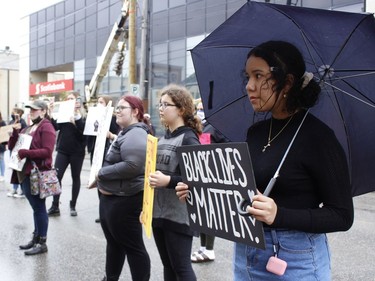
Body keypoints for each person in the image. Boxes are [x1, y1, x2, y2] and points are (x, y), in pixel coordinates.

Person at [176, 40, 354, 280]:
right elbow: (244, 190)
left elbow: (342, 215)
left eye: (258, 75)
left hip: (296, 259)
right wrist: (202, 192)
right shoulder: (256, 132)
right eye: (247, 76)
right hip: (248, 251)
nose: (249, 86)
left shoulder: (319, 137)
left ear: (287, 82)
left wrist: (279, 214)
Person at [149, 84, 202, 281]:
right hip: (159, 213)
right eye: (160, 104)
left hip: (180, 216)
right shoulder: (161, 139)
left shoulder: (188, 139)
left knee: (181, 268)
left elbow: (198, 179)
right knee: (168, 266)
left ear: (181, 109)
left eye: (166, 104)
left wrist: (168, 180)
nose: (161, 108)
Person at [96, 95, 151, 281]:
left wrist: (101, 173)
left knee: (133, 247)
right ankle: (110, 278)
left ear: (135, 112)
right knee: (114, 243)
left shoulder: (136, 133)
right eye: (116, 108)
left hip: (125, 200)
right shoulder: (126, 132)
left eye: (122, 108)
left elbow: (132, 165)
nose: (117, 111)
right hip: (113, 199)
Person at [8, 100, 56, 255]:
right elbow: (12, 147)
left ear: (43, 111)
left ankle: (42, 242)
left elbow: (47, 152)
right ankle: (36, 238)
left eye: (34, 110)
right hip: (24, 173)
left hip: (37, 173)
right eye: (30, 110)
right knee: (36, 208)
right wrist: (14, 134)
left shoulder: (46, 126)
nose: (31, 112)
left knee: (39, 208)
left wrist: (26, 153)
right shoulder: (29, 127)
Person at [190, 101, 229, 263]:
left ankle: (209, 249)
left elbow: (227, 147)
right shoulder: (202, 126)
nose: (200, 111)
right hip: (201, 175)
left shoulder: (217, 127)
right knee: (202, 213)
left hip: (213, 176)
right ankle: (203, 247)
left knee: (209, 213)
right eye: (198, 109)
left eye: (202, 109)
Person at [48, 91, 86, 217]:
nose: (69, 101)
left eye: (72, 99)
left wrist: (76, 118)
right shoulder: (63, 115)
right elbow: (54, 127)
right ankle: (55, 205)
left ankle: (73, 205)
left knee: (76, 177)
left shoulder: (82, 117)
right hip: (63, 150)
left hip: (77, 152)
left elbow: (83, 133)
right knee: (57, 177)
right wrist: (51, 112)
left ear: (77, 102)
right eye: (68, 99)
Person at [86, 95, 120, 223]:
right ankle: (102, 211)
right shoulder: (94, 116)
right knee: (98, 180)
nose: (99, 104)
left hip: (107, 152)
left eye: (102, 102)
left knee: (105, 180)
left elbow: (115, 133)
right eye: (98, 102)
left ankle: (107, 212)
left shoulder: (113, 118)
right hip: (96, 152)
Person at [7, 108, 28, 197]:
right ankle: (15, 189)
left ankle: (22, 191)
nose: (12, 113)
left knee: (19, 169)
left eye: (14, 111)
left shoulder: (22, 122)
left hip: (19, 147)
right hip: (12, 146)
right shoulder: (12, 121)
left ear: (19, 113)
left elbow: (24, 134)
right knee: (14, 169)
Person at [0, 111, 6, 182]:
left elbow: (5, 134)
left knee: (1, 159)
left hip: (1, 144)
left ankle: (2, 175)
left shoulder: (2, 122)